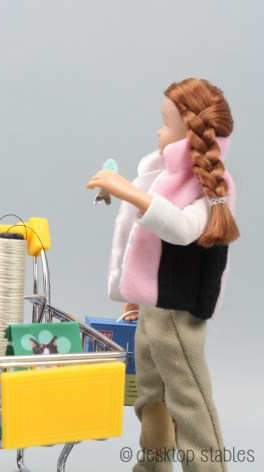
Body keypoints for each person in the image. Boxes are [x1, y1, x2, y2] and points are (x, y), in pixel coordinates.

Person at [86, 78, 237, 472]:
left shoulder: (211, 183)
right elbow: (146, 245)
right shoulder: (167, 176)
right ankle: (152, 467)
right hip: (153, 307)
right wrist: (135, 296)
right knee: (150, 397)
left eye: (166, 123)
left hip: (178, 312)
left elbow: (183, 229)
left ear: (190, 132)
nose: (158, 131)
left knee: (189, 401)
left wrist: (130, 192)